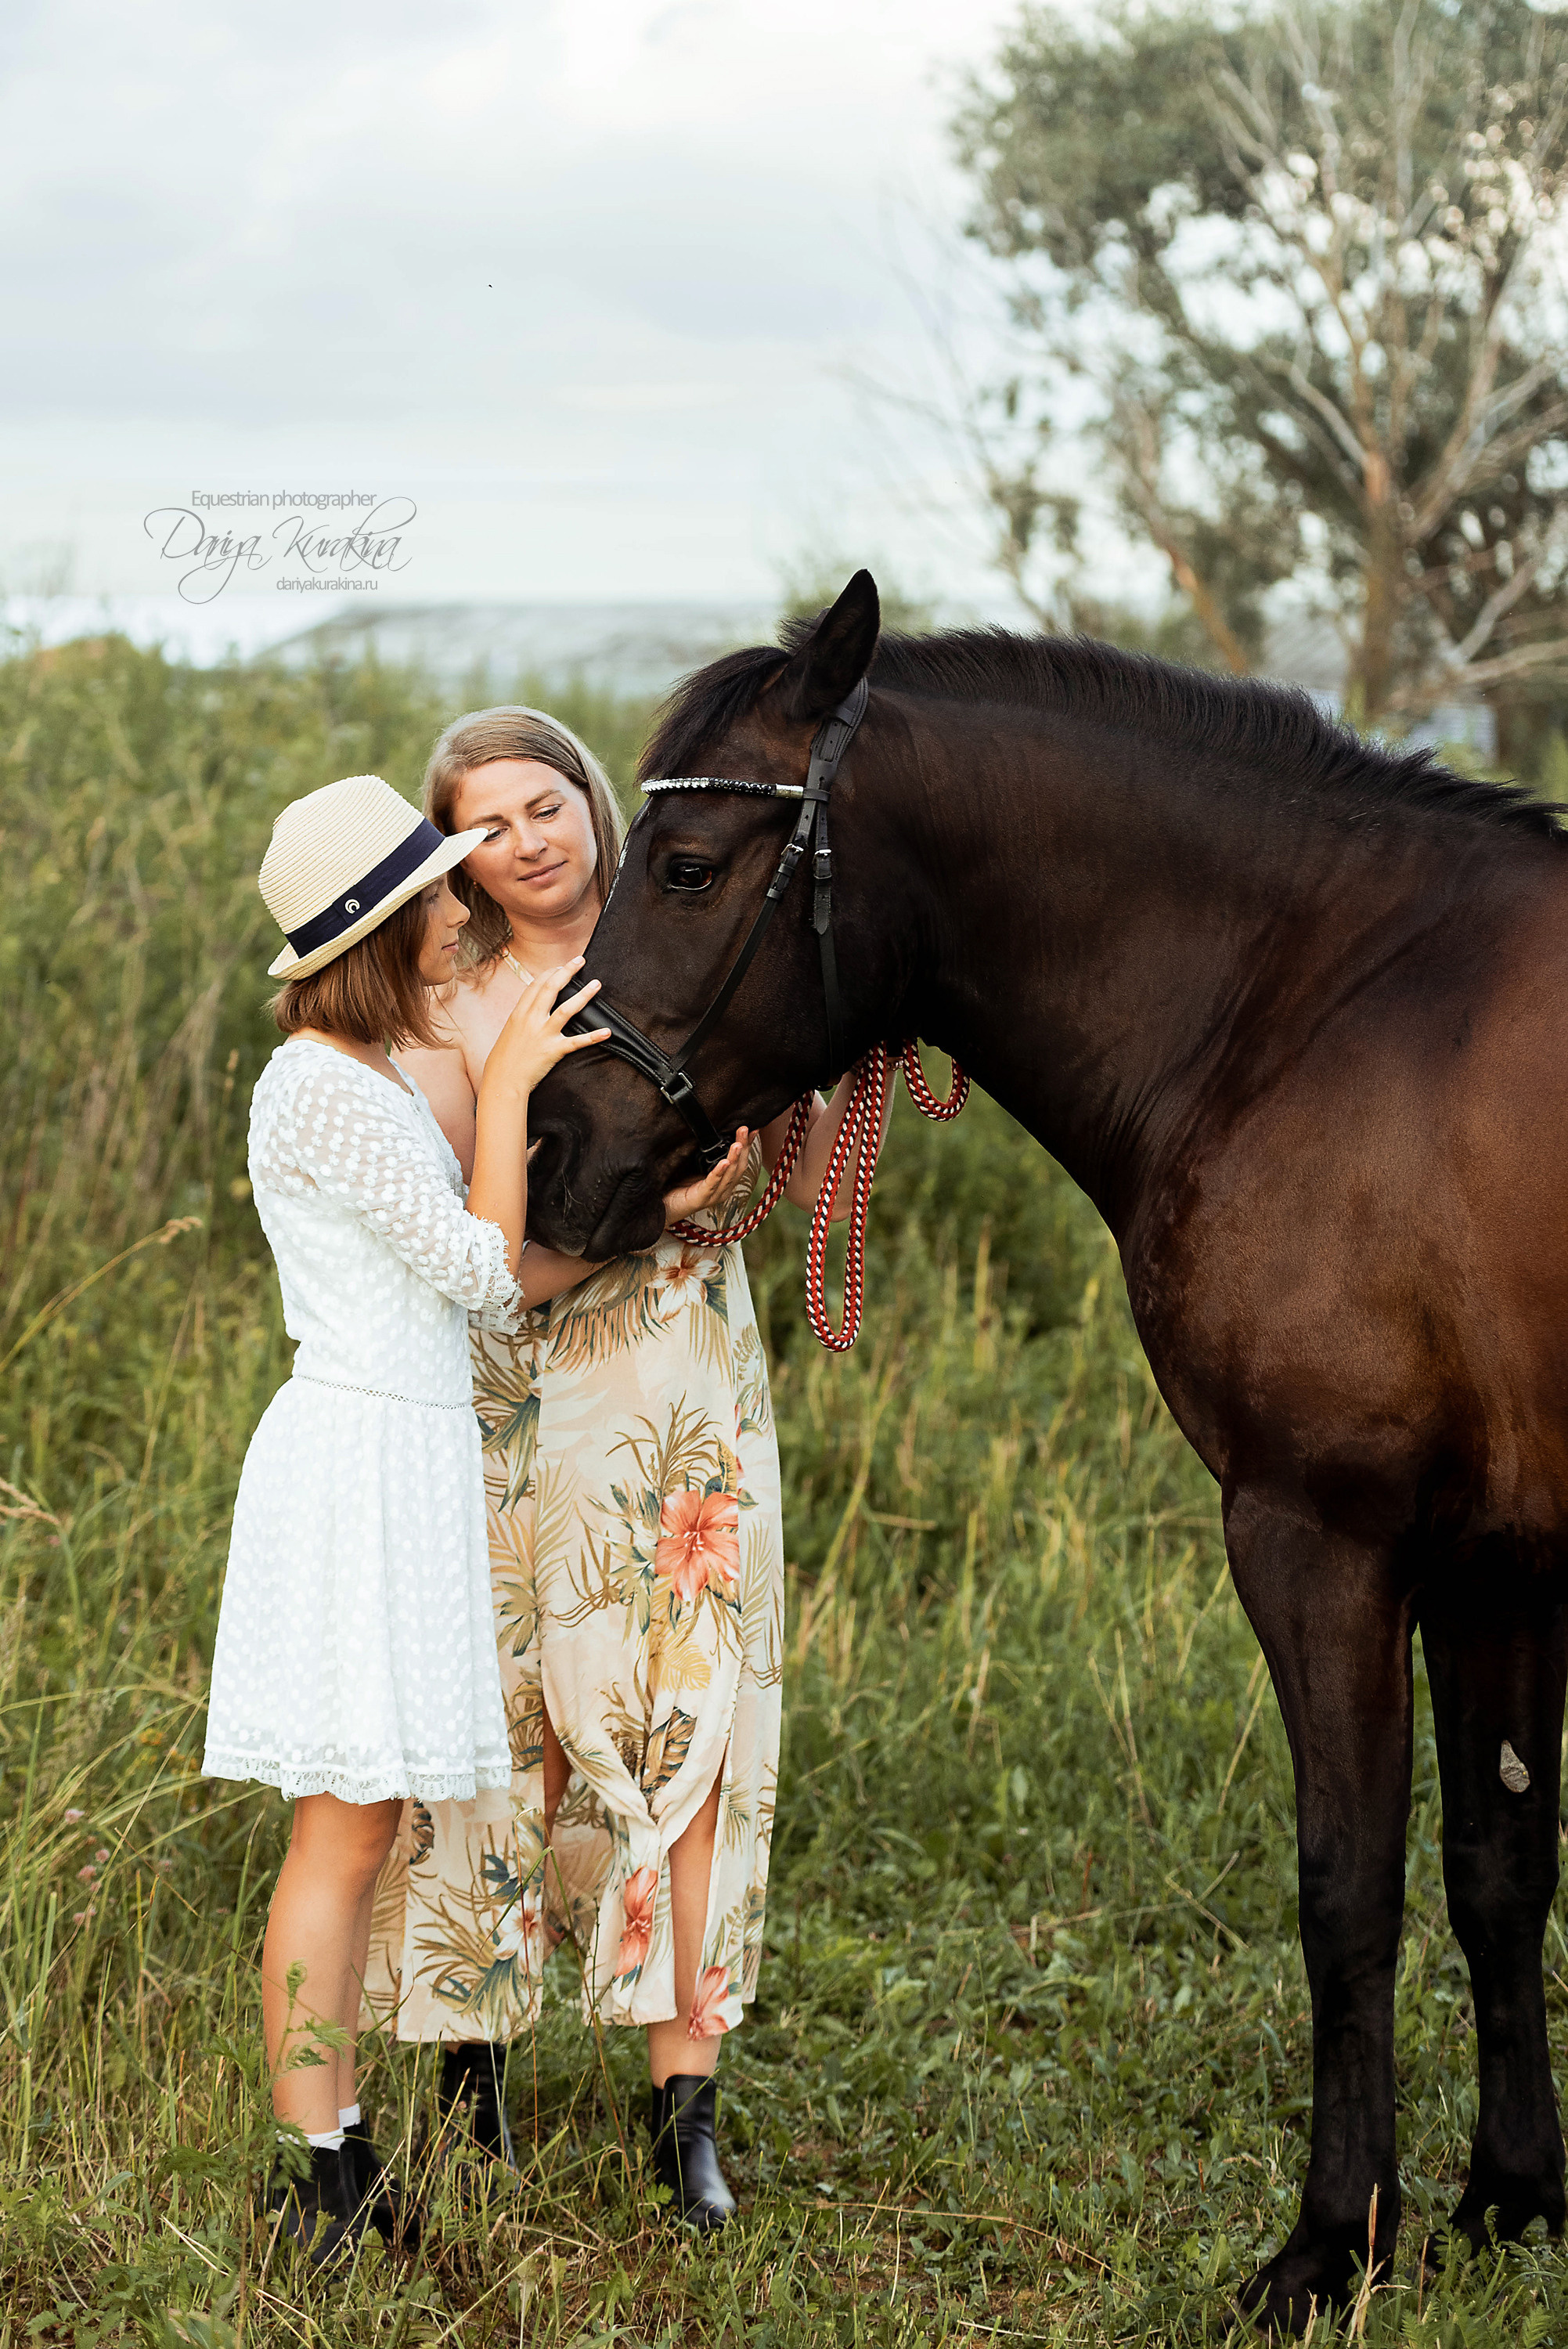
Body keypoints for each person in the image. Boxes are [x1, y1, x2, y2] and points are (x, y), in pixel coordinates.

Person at [363, 706, 873, 2231]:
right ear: (454, 851)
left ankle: (685, 2109)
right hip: (511, 1409)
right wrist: (657, 1211)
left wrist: (745, 1180)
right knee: (502, 1732)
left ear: (592, 801)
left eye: (545, 802)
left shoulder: (698, 957)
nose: (530, 838)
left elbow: (745, 1181)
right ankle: (472, 2061)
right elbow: (491, 1265)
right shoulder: (453, 1017)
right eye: (488, 822)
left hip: (682, 1399)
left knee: (691, 1731)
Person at [201, 770, 614, 2262]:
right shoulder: (322, 1083)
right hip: (360, 1464)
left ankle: (337, 2151)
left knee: (360, 1832)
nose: (463, 909)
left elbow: (473, 1281)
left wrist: (669, 1220)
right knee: (341, 1835)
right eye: (440, 892)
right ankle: (323, 2172)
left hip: (402, 1447)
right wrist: (504, 1085)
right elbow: (481, 1271)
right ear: (378, 927)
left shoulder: (361, 1074)